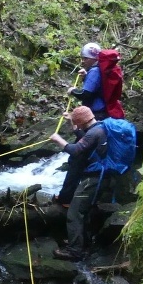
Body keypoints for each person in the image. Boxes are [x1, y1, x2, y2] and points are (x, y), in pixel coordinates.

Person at [49, 106, 108, 261]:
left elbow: (76, 150)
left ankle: (75, 251)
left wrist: (58, 140)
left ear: (82, 121)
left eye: (77, 123)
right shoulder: (99, 127)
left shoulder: (95, 132)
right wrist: (72, 125)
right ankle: (84, 244)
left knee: (74, 213)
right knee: (85, 210)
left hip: (94, 179)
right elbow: (85, 138)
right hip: (101, 176)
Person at [66, 42, 109, 121]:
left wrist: (72, 91)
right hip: (103, 110)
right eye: (82, 58)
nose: (83, 61)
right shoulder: (100, 69)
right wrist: (86, 76)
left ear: (94, 59)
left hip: (97, 113)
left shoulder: (94, 71)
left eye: (86, 58)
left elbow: (85, 94)